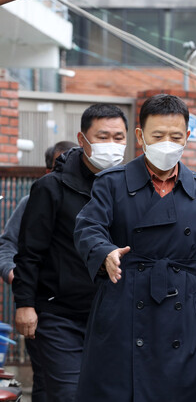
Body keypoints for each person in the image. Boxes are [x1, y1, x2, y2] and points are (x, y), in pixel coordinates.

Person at [73, 94, 196, 401]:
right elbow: (87, 226)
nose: (167, 143)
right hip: (124, 308)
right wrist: (105, 251)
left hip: (185, 316)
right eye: (158, 136)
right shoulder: (111, 182)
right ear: (140, 135)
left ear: (188, 136)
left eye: (175, 136)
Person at [12, 104, 128, 402]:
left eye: (119, 137)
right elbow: (29, 252)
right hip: (59, 315)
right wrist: (25, 304)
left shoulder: (130, 187)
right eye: (103, 137)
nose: (111, 145)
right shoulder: (51, 188)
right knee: (69, 394)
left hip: (112, 314)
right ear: (82, 138)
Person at [0, 140, 75, 402]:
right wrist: (14, 274)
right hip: (44, 309)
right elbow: (8, 245)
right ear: (48, 172)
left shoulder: (99, 196)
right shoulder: (33, 199)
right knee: (47, 381)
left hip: (85, 311)